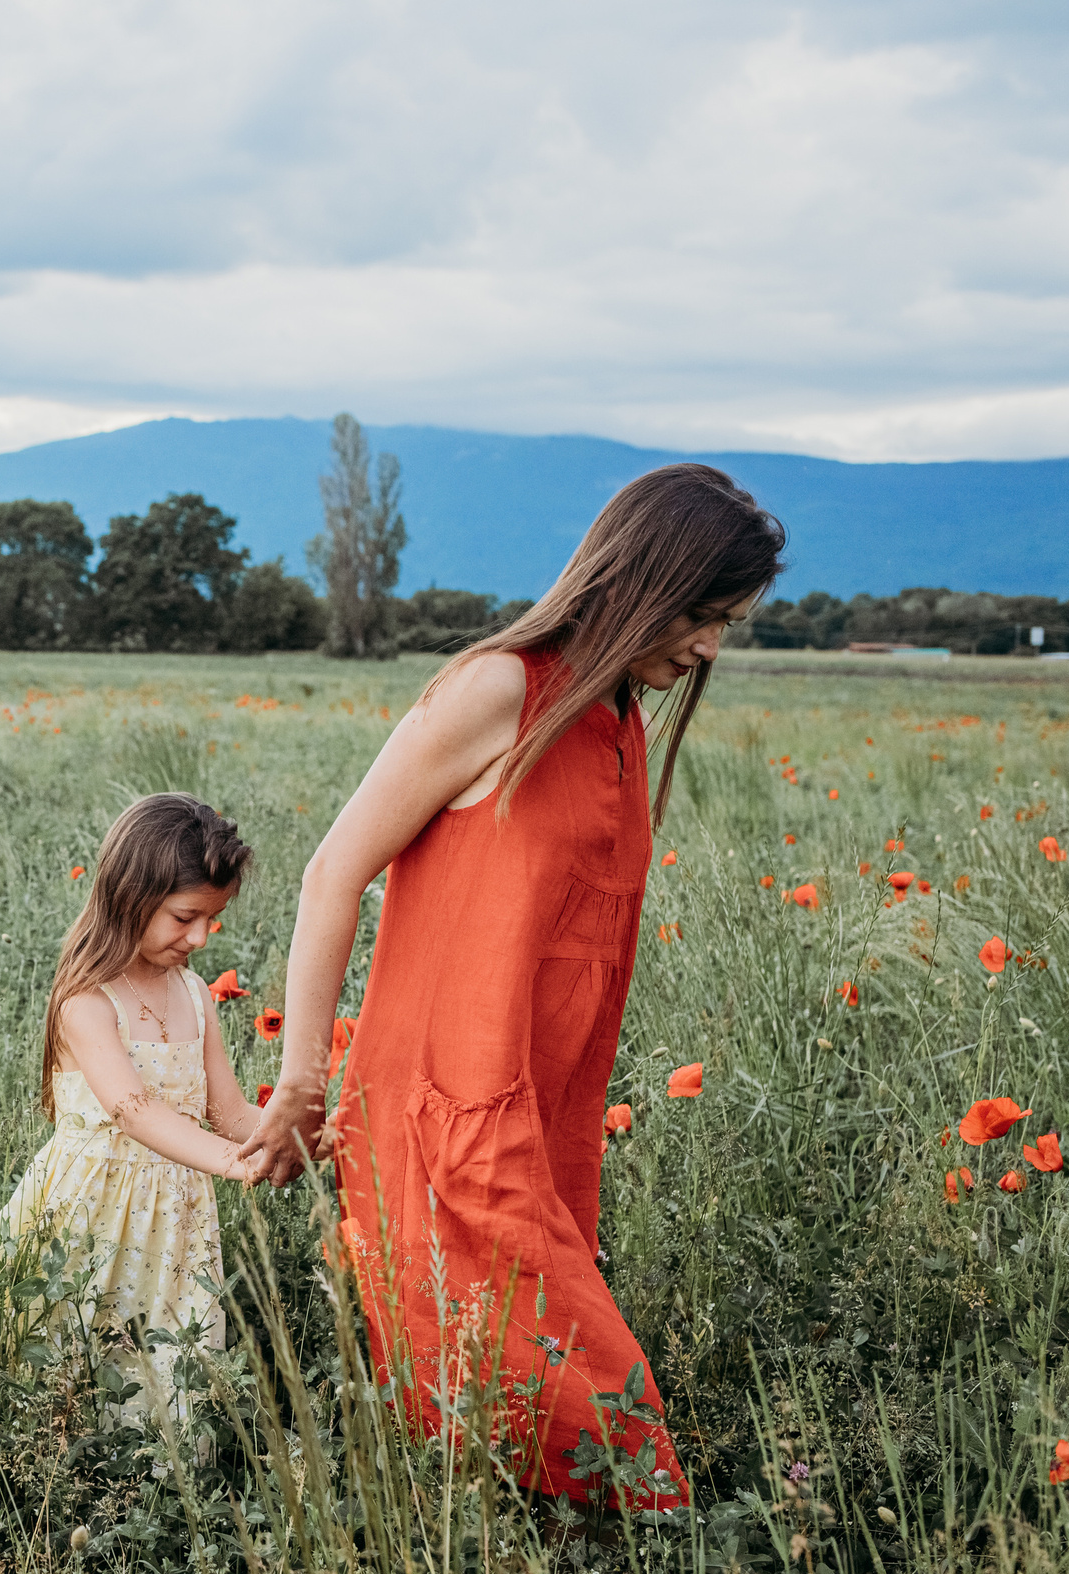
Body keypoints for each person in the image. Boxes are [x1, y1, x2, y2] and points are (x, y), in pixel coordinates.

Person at [238, 463, 784, 1510]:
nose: (711, 646)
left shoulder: (618, 713)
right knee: (586, 1405)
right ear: (640, 578)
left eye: (729, 624)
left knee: (498, 1393)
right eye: (703, 615)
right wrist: (303, 1082)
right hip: (451, 1100)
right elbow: (330, 871)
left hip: (544, 1104)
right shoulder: (502, 688)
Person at [0, 793, 262, 1419]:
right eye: (184, 917)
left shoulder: (196, 996)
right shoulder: (88, 1001)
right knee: (68, 1356)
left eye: (212, 918)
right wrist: (237, 1165)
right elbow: (135, 1111)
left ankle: (155, 1490)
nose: (200, 936)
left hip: (173, 1223)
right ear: (131, 896)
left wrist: (296, 1137)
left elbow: (230, 1112)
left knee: (164, 1363)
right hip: (89, 1213)